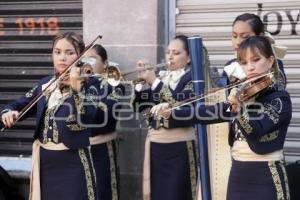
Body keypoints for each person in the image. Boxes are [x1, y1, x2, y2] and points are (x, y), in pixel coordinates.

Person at [154, 35, 291, 200]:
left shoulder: (279, 98)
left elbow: (256, 130)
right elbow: (205, 113)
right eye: (244, 63)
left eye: (256, 60)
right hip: (238, 177)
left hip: (267, 176)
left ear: (270, 61)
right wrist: (171, 111)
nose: (250, 67)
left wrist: (238, 109)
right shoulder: (243, 97)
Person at [0, 32, 99, 200]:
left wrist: (76, 89)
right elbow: (18, 104)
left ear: (80, 56)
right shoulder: (45, 84)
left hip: (73, 162)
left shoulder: (91, 84)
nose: (62, 58)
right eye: (57, 52)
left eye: (69, 53)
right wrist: (8, 112)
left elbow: (85, 119)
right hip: (46, 162)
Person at [133, 35, 199, 200]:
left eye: (176, 53)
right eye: (168, 52)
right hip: (157, 147)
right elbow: (139, 108)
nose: (170, 57)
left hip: (180, 148)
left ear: (189, 57)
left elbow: (179, 105)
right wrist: (141, 84)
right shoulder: (162, 77)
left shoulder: (192, 79)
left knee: (179, 193)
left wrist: (154, 81)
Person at [84, 44, 124, 200]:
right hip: (77, 150)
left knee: (103, 191)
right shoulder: (77, 83)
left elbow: (106, 114)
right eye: (84, 59)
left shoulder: (115, 84)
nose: (87, 63)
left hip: (102, 149)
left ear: (105, 63)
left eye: (92, 59)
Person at [221, 13, 287, 90]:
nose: (237, 42)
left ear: (260, 36)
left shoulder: (274, 63)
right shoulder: (229, 66)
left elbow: (279, 89)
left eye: (245, 36)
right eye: (234, 36)